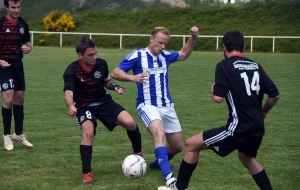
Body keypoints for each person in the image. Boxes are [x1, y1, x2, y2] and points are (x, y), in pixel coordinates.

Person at [158, 30, 280, 190]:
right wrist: (263, 112)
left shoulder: (223, 65)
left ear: (224, 48)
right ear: (243, 48)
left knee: (191, 144)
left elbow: (218, 98)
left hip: (238, 127)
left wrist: (213, 91)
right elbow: (275, 95)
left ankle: (179, 188)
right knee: (246, 158)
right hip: (257, 126)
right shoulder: (256, 66)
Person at [111, 26, 199, 187]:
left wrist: (193, 39)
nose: (162, 47)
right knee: (159, 133)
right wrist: (132, 77)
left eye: (165, 44)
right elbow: (115, 73)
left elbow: (184, 54)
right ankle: (169, 178)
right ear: (151, 39)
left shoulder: (165, 56)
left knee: (178, 146)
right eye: (160, 43)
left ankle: (159, 163)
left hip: (167, 105)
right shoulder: (138, 55)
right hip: (147, 105)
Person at [63, 38, 142, 185]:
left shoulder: (101, 63)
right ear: (80, 55)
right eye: (90, 55)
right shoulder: (71, 70)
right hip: (84, 106)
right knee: (88, 132)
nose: (95, 57)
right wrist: (70, 105)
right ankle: (87, 173)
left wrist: (115, 87)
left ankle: (138, 155)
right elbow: (68, 91)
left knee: (130, 123)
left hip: (104, 102)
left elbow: (107, 81)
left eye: (96, 54)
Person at [0, 0, 33, 151]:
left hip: (18, 65)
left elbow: (27, 42)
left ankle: (18, 133)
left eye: (18, 7)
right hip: (3, 66)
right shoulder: (0, 24)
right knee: (8, 100)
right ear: (6, 7)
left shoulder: (23, 25)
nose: (16, 10)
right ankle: (6, 135)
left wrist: (28, 48)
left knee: (19, 99)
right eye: (13, 7)